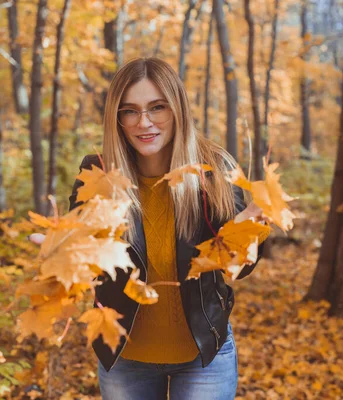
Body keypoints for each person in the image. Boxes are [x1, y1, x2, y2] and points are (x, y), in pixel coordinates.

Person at [32, 57, 263, 400]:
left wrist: (245, 242)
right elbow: (79, 249)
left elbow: (237, 268)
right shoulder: (97, 170)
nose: (144, 122)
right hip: (126, 359)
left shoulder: (213, 168)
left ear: (178, 109)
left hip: (203, 357)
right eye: (129, 111)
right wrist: (59, 258)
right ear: (117, 118)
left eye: (158, 107)